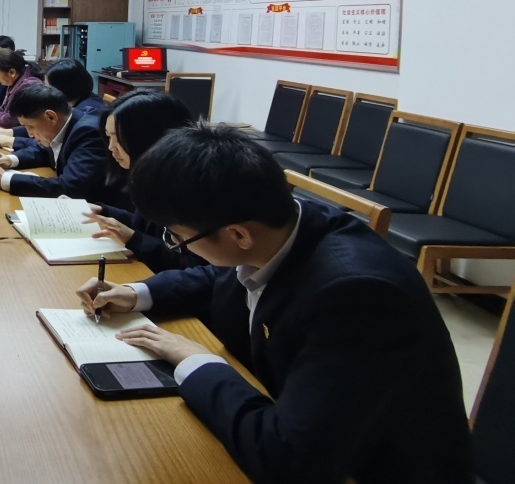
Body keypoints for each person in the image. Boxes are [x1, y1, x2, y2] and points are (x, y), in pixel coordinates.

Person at [76, 125, 472, 484]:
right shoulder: (282, 223)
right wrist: (138, 293)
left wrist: (195, 360)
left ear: (238, 235)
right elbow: (220, 274)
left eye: (179, 240)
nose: (178, 248)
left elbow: (285, 458)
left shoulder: (358, 296)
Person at [74, 90, 202, 272]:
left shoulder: (190, 188)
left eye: (118, 138)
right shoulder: (151, 176)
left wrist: (134, 239)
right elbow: (147, 225)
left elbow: (196, 268)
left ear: (149, 137)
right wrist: (104, 211)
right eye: (109, 137)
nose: (111, 148)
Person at [0, 84, 109, 200]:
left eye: (29, 126)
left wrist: (4, 179)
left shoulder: (89, 133)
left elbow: (71, 188)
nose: (29, 134)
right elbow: (45, 150)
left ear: (50, 117)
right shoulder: (69, 119)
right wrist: (9, 160)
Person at [0, 58, 103, 149]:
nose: (44, 89)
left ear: (64, 87)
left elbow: (56, 143)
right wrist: (10, 132)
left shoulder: (86, 113)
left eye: (47, 86)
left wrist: (12, 140)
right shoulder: (74, 102)